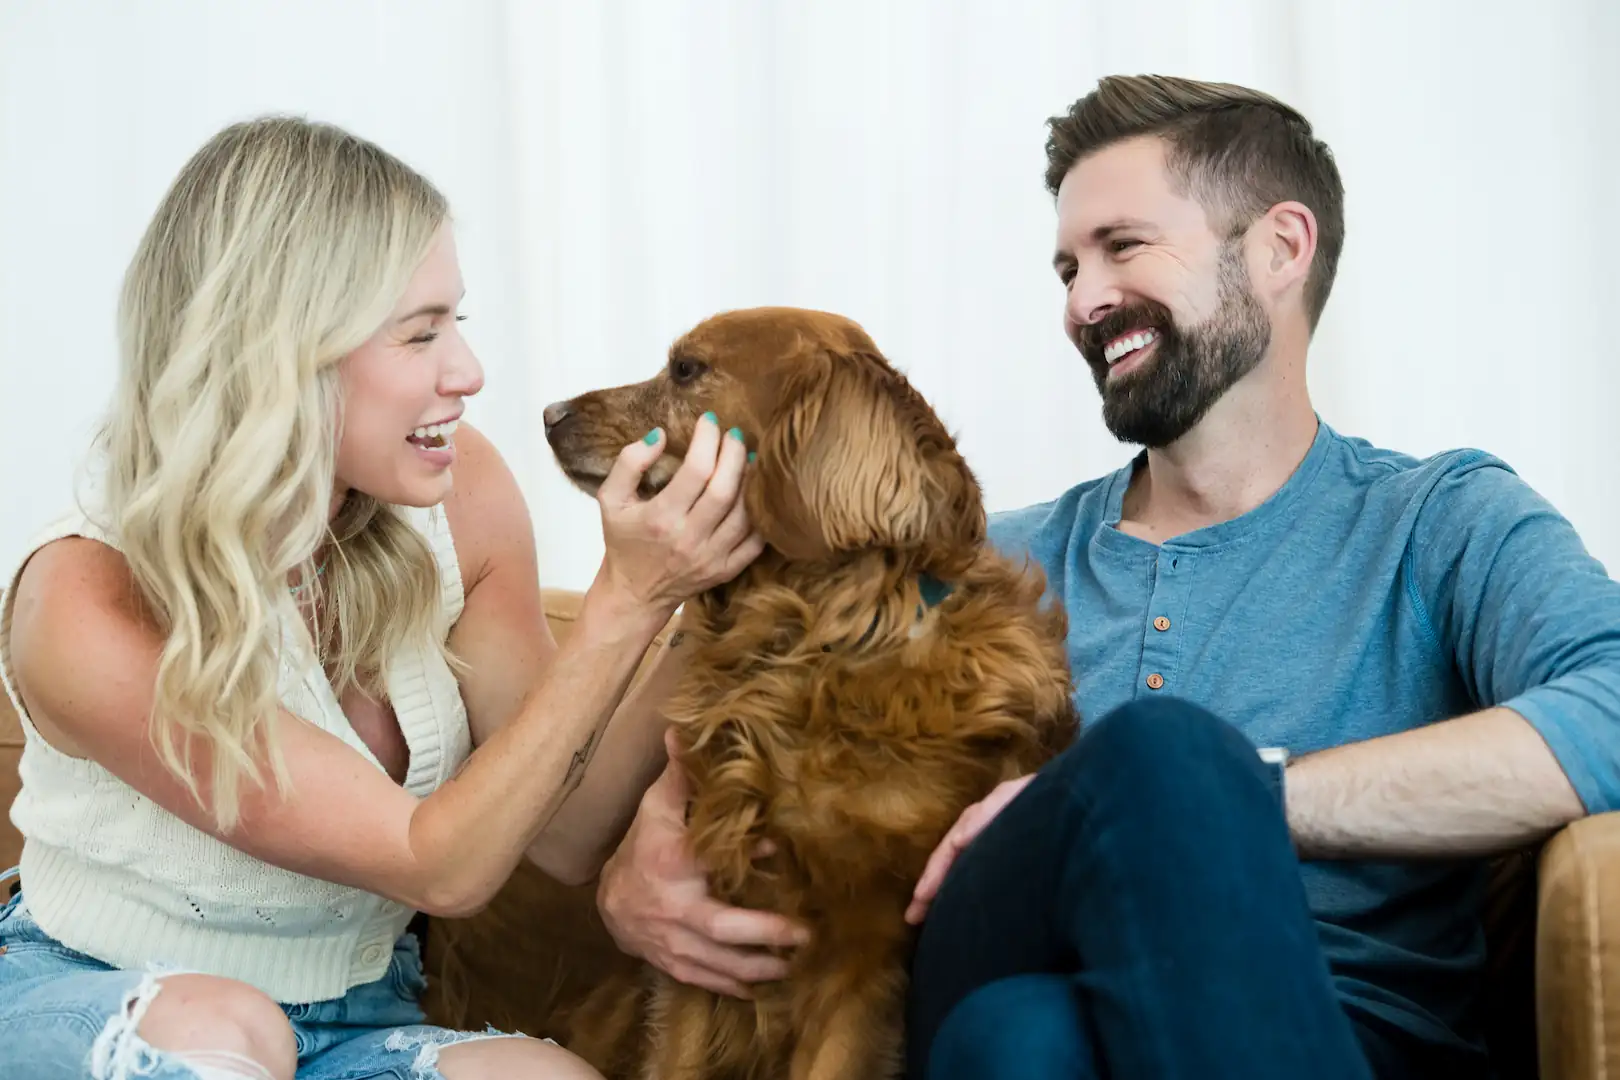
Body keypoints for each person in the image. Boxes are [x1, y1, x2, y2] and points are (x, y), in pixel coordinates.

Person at [592, 74, 1620, 1078]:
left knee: (1030, 1023)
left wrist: (1239, 797)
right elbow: (673, 765)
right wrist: (634, 867)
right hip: (997, 961)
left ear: (1280, 247)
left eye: (1122, 247)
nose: (1084, 301)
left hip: (1339, 1035)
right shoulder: (969, 572)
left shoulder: (1440, 522)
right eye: (1065, 270)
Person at [0, 117, 768, 1080]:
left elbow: (565, 834)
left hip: (357, 1021)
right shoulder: (84, 594)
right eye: (421, 333)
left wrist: (708, 594)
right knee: (224, 1037)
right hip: (100, 995)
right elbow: (434, 863)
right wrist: (623, 596)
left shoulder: (460, 494)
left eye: (459, 321)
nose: (469, 373)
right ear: (282, 356)